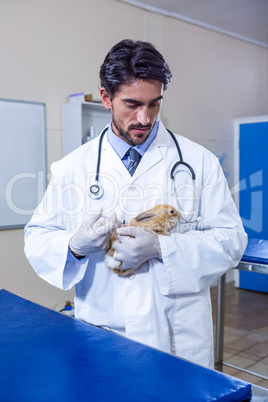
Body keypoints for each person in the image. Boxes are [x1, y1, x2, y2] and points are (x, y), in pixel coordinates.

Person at [24, 39, 247, 369]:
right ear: (105, 98)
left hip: (177, 337)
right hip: (104, 333)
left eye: (154, 104)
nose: (145, 118)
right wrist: (73, 246)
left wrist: (161, 248)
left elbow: (231, 241)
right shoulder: (72, 167)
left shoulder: (198, 162)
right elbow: (38, 237)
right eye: (132, 104)